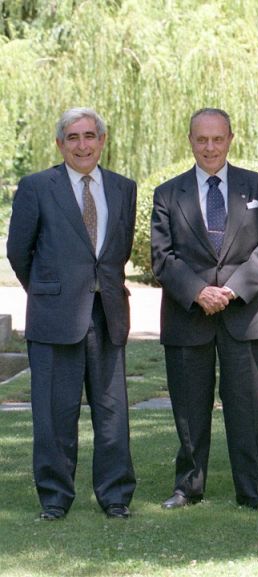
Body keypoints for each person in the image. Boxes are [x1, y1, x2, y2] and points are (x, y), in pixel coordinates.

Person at [7, 107, 137, 521]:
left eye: (89, 136)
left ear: (102, 140)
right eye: (73, 138)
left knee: (112, 411)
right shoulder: (36, 187)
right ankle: (55, 498)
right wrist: (48, 291)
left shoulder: (123, 188)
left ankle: (115, 496)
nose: (82, 145)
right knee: (53, 413)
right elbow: (18, 251)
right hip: (54, 316)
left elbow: (119, 251)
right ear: (60, 144)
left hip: (108, 314)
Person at [151, 108, 258, 511]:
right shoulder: (168, 193)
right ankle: (187, 487)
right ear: (190, 140)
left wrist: (232, 290)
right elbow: (162, 256)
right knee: (189, 408)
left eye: (217, 139)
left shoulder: (257, 186)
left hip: (243, 315)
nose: (210, 147)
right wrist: (198, 292)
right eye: (201, 140)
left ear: (230, 138)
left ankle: (250, 490)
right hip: (188, 316)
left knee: (246, 408)